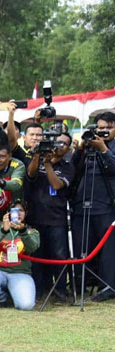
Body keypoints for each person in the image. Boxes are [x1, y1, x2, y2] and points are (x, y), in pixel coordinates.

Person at [70, 111, 115, 301]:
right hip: (82, 203)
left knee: (107, 249)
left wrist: (104, 149)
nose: (104, 131)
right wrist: (80, 149)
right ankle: (83, 282)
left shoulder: (107, 146)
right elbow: (72, 170)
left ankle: (107, 286)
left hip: (107, 204)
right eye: (101, 128)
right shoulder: (88, 144)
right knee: (82, 245)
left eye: (109, 128)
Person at [25, 132, 74, 303]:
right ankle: (38, 291)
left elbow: (57, 184)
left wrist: (47, 165)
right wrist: (37, 156)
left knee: (59, 257)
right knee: (37, 258)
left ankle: (61, 291)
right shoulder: (38, 160)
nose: (59, 146)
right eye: (57, 142)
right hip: (35, 217)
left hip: (56, 219)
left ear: (69, 148)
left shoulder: (67, 166)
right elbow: (30, 175)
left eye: (64, 144)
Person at [0, 200, 40, 310]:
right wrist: (3, 230)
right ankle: (1, 298)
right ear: (8, 212)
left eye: (21, 211)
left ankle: (13, 294)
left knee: (26, 305)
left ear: (26, 213)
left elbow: (33, 247)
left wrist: (23, 231)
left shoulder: (32, 231)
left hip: (20, 273)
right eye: (14, 210)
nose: (18, 213)